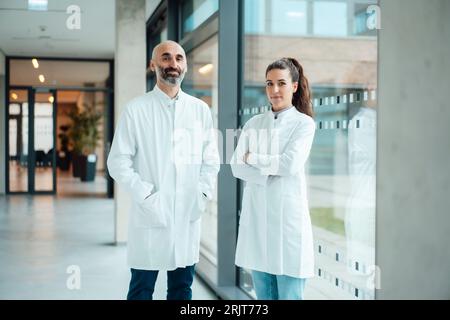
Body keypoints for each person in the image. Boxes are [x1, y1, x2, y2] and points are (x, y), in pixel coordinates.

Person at [107, 40, 220, 300]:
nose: (173, 64)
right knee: (141, 290)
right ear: (153, 65)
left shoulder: (199, 110)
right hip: (151, 213)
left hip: (187, 214)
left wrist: (201, 195)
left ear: (185, 66)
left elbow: (211, 160)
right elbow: (118, 161)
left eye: (179, 58)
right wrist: (146, 196)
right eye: (166, 58)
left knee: (182, 290)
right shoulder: (136, 110)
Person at [230, 58, 316, 300]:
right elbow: (237, 167)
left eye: (281, 83)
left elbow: (290, 164)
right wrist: (270, 165)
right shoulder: (253, 123)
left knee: (289, 296)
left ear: (294, 86)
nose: (274, 90)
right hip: (258, 223)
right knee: (264, 297)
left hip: (288, 225)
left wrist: (253, 157)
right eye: (269, 83)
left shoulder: (304, 124)